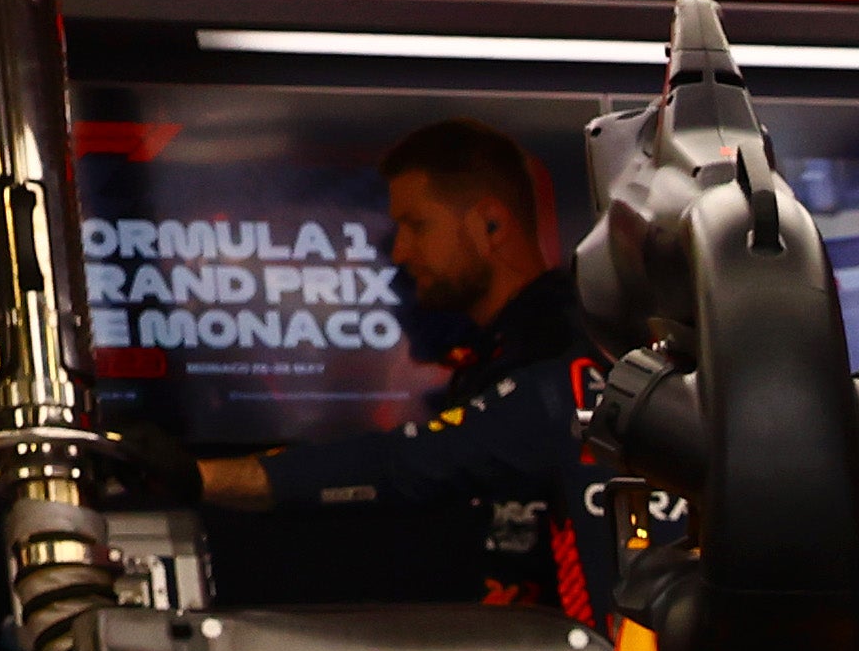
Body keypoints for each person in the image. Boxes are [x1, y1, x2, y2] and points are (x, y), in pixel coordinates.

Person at [192, 118, 598, 621]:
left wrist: (196, 478)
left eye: (417, 225)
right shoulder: (494, 354)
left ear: (490, 225)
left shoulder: (564, 352)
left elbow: (412, 462)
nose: (400, 251)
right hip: (521, 648)